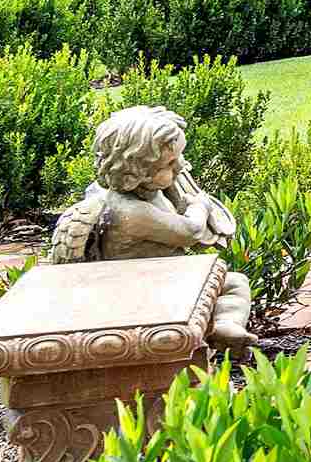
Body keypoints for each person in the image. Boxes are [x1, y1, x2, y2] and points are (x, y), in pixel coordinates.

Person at [50, 104, 256, 350]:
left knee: (233, 283)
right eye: (169, 164)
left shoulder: (147, 188)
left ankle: (224, 326)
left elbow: (175, 196)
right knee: (233, 284)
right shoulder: (130, 212)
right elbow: (189, 232)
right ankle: (216, 325)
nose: (179, 166)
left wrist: (179, 188)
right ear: (133, 173)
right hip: (141, 289)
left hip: (160, 275)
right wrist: (199, 206)